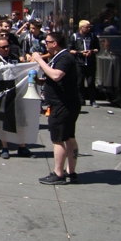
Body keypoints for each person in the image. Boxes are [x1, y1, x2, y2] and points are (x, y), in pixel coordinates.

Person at [33, 32, 80, 184]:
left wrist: (40, 60)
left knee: (58, 139)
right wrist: (39, 81)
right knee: (69, 137)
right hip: (65, 102)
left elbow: (56, 76)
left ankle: (58, 173)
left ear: (55, 43)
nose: (45, 44)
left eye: (47, 42)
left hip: (62, 104)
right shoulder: (58, 58)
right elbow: (53, 79)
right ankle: (70, 172)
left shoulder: (64, 57)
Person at [69, 20, 100, 106]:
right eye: (87, 27)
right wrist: (80, 53)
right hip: (79, 62)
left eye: (89, 27)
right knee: (79, 82)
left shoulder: (93, 36)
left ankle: (92, 100)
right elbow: (70, 50)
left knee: (91, 82)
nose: (89, 29)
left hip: (90, 62)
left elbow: (98, 49)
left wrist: (91, 51)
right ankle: (81, 99)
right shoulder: (75, 36)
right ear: (81, 28)